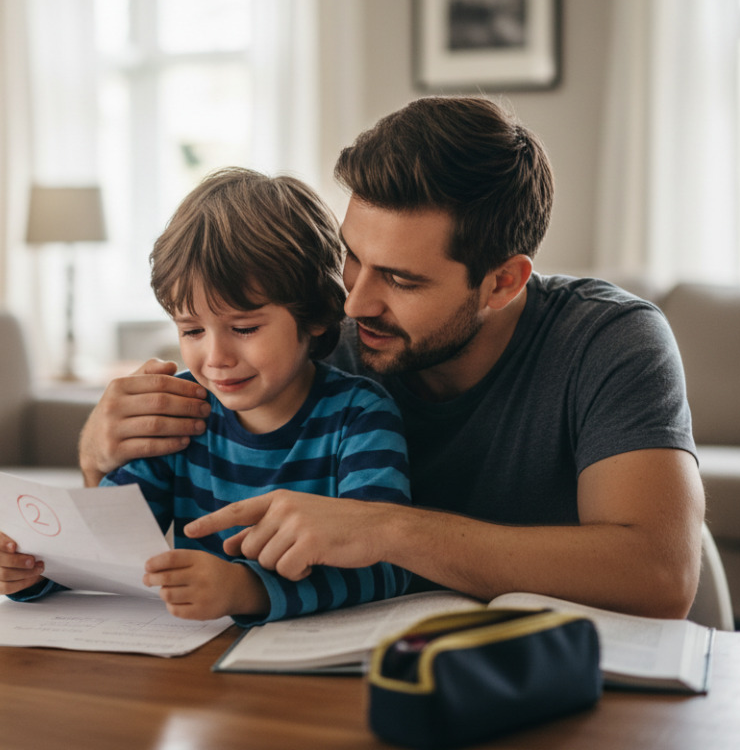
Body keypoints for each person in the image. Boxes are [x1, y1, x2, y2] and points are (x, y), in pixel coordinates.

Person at [78, 97, 705, 619]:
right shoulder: (318, 340)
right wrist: (98, 453)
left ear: (503, 282)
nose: (354, 303)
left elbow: (660, 577)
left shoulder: (611, 341)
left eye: (402, 280)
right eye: (352, 258)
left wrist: (388, 530)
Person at [0, 167, 412, 624]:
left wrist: (246, 590)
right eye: (192, 330)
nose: (215, 356)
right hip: (193, 663)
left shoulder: (361, 418)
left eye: (244, 328)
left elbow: (386, 568)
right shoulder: (181, 410)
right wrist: (33, 567)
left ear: (316, 317)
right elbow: (106, 543)